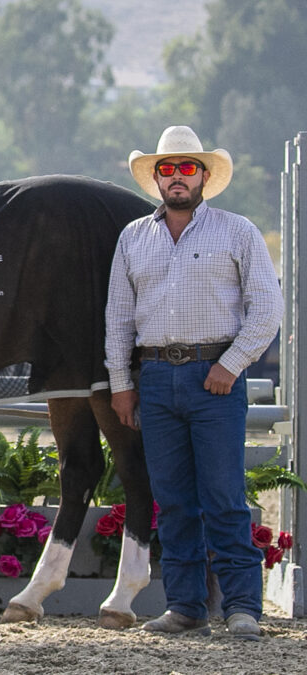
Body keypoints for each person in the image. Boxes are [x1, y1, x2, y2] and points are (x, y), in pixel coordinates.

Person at [105, 125, 282, 640]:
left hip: (215, 378)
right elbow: (118, 317)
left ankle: (243, 607)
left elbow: (266, 308)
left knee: (224, 495)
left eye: (187, 168)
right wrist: (122, 382)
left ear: (204, 176)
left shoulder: (237, 231)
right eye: (167, 169)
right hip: (155, 376)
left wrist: (232, 364)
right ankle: (185, 607)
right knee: (174, 499)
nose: (177, 177)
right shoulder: (133, 238)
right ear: (156, 179)